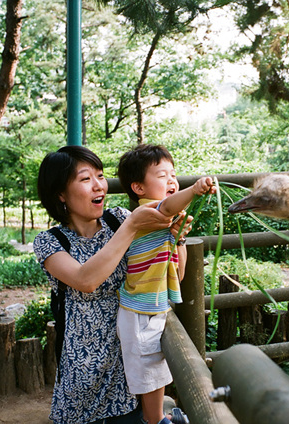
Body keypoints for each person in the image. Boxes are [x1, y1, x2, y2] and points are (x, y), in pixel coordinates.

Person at [33, 145, 192, 424]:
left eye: (101, 176)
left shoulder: (118, 218)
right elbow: (86, 280)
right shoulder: (50, 242)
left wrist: (175, 240)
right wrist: (131, 228)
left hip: (129, 361)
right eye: (86, 179)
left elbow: (174, 275)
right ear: (61, 194)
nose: (99, 187)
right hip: (84, 366)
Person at [116, 144, 215, 424]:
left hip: (152, 306)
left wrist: (179, 239)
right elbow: (169, 205)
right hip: (140, 311)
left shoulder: (164, 221)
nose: (172, 180)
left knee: (154, 369)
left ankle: (155, 417)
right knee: (150, 373)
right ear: (139, 188)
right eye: (162, 176)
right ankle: (156, 420)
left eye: (174, 174)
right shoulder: (147, 213)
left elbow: (178, 272)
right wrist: (194, 190)